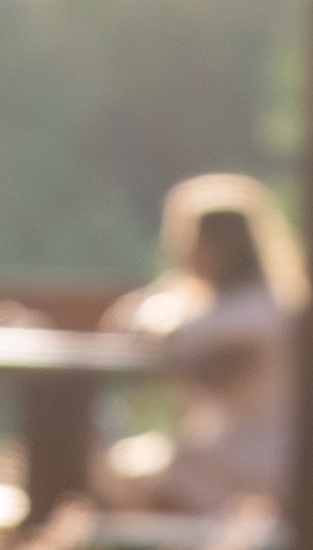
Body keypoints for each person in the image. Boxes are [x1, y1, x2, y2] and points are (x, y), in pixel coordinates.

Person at [106, 173, 302, 520]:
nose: (180, 252)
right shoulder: (245, 303)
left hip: (251, 463)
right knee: (123, 468)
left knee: (127, 478)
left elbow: (159, 330)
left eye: (189, 239)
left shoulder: (256, 314)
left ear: (219, 245)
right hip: (235, 455)